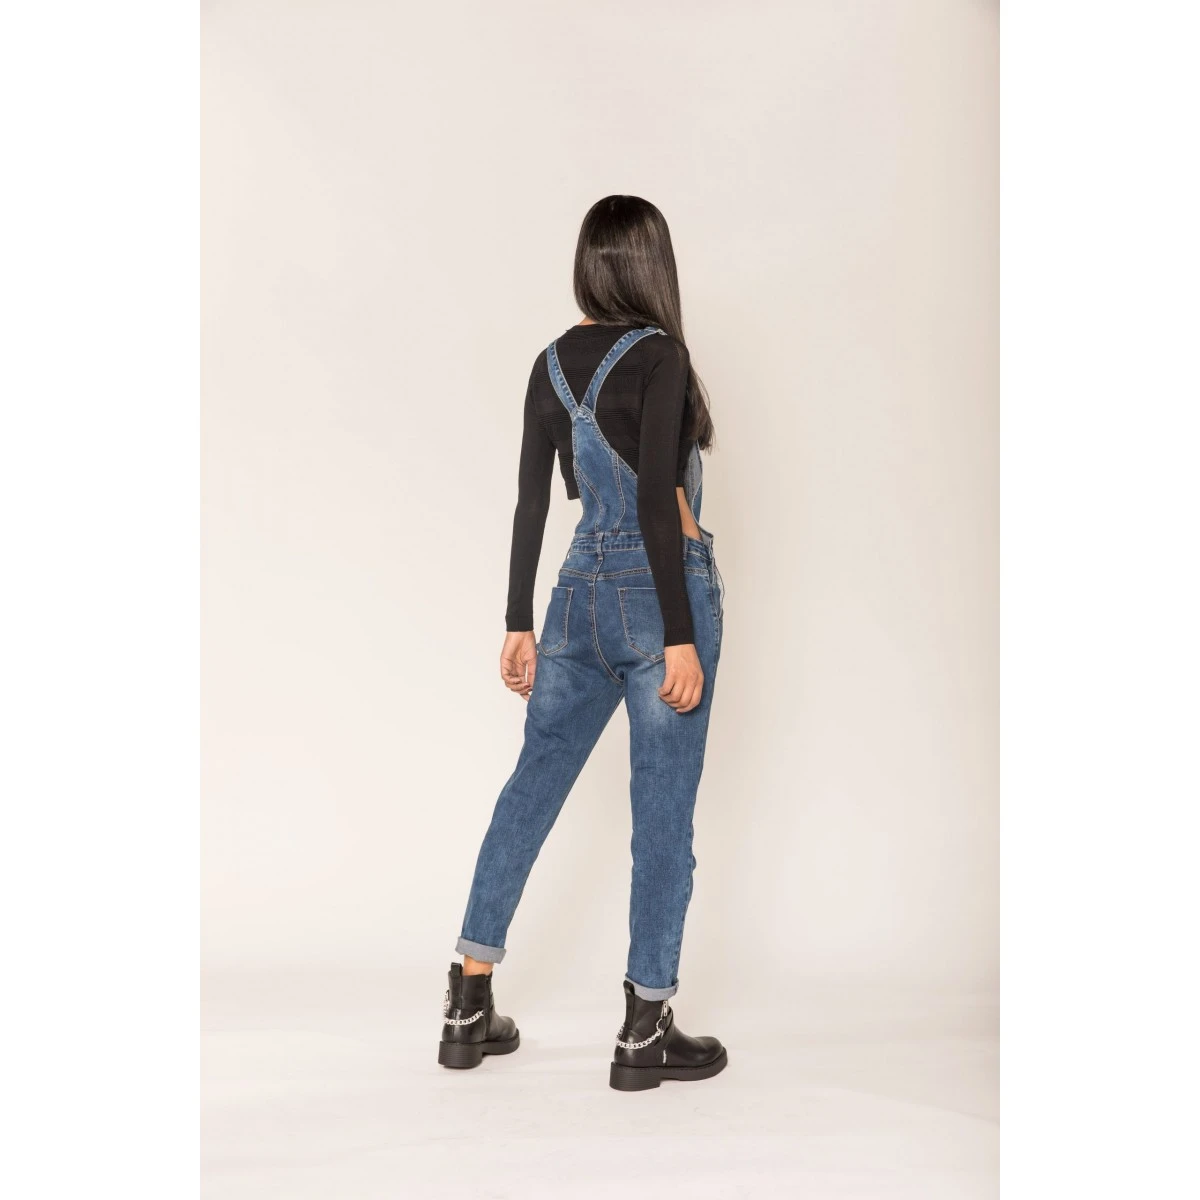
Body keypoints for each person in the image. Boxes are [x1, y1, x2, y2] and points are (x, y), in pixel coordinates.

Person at [438, 195, 727, 1092]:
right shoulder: (663, 355)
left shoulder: (550, 365)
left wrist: (517, 621)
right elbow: (658, 505)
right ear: (651, 265)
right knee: (662, 812)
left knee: (529, 790)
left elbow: (532, 500)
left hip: (574, 595)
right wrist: (679, 635)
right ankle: (646, 1027)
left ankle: (467, 1002)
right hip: (657, 597)